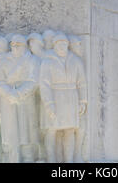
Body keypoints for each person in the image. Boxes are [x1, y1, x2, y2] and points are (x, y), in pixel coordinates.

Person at [39, 33, 87, 163]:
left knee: (70, 130)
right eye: (58, 44)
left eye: (64, 44)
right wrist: (49, 104)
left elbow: (82, 82)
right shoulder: (47, 61)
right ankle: (51, 159)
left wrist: (83, 101)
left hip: (71, 98)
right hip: (55, 97)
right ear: (54, 46)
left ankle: (69, 160)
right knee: (51, 130)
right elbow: (44, 84)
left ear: (67, 45)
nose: (61, 46)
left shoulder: (76, 61)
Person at [0, 34, 39, 163]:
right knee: (10, 130)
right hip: (7, 99)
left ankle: (28, 157)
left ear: (25, 46)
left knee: (26, 130)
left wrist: (19, 93)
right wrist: (9, 93)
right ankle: (11, 157)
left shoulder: (31, 60)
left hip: (25, 98)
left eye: (18, 45)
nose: (15, 47)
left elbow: (33, 80)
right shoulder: (4, 61)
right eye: (13, 45)